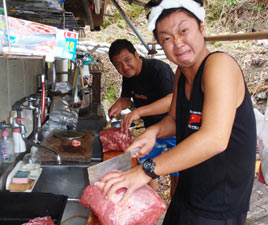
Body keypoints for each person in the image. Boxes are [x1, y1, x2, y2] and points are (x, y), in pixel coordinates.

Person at [100, 1, 257, 225]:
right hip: (188, 191)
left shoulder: (220, 66)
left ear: (201, 28)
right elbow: (174, 120)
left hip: (219, 204)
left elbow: (214, 139)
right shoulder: (181, 75)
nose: (177, 43)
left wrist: (147, 170)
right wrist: (153, 131)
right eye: (166, 38)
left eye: (183, 31)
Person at [107, 39, 178, 195]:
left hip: (174, 128)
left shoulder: (158, 69)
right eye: (118, 64)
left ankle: (175, 205)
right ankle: (152, 201)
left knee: (177, 172)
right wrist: (118, 105)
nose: (125, 67)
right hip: (152, 131)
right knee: (144, 166)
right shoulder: (128, 76)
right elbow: (126, 98)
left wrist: (138, 112)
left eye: (127, 60)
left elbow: (171, 101)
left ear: (136, 55)